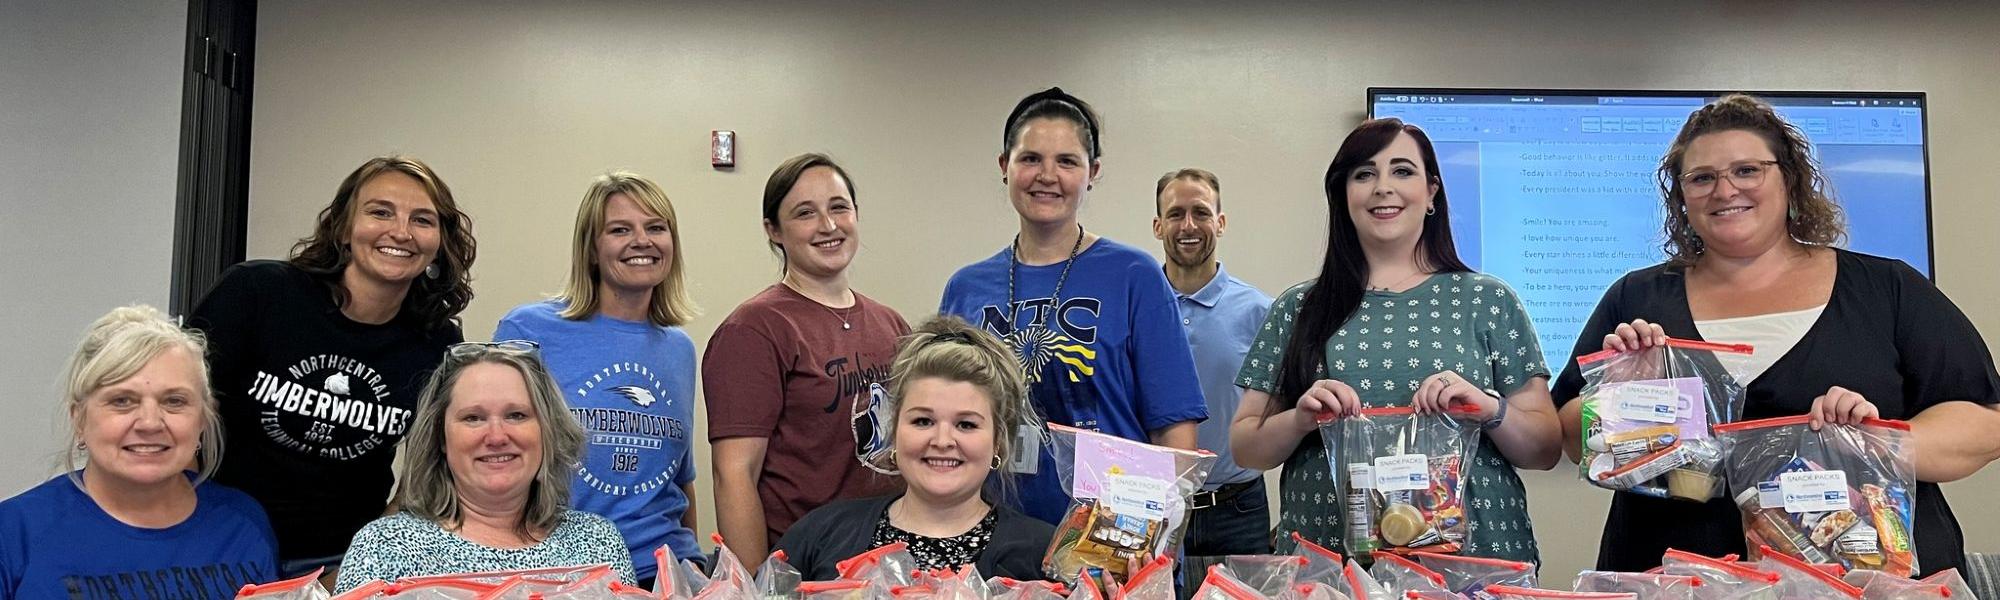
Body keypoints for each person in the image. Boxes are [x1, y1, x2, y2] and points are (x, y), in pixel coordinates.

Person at [1552, 94, 2000, 576]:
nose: (1724, 190)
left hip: (1865, 577)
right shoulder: (1637, 297)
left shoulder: (1887, 289)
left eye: (1747, 170)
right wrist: (1621, 399)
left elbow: (1985, 421)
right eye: (1702, 178)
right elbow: (1575, 440)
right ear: (1681, 197)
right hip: (1673, 575)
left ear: (1788, 179)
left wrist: (1873, 444)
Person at [1229, 118, 1562, 562]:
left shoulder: (1489, 300)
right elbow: (1245, 447)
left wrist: (1489, 408)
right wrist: (1300, 419)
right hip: (1330, 561)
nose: (1383, 187)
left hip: (1470, 562)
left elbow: (1545, 449)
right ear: (1344, 195)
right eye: (1364, 174)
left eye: (1402, 171)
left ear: (1432, 193)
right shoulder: (1299, 307)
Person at [189, 155, 473, 579]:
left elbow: (433, 465)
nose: (400, 232)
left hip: (335, 565)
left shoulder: (437, 342)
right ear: (343, 227)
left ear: (439, 243)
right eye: (380, 212)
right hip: (216, 547)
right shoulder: (257, 292)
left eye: (422, 220)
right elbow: (179, 411)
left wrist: (372, 553)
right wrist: (184, 524)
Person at [939, 87, 1207, 525]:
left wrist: (1156, 534)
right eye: (1030, 159)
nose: (1047, 175)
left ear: (1092, 171)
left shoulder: (1133, 274)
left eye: (1067, 161)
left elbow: (1174, 429)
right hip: (994, 534)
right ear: (1005, 167)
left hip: (1112, 536)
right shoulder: (966, 288)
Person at [494, 171, 701, 586]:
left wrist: (692, 571)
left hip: (665, 571)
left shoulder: (680, 349)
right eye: (620, 229)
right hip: (560, 571)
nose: (642, 241)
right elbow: (490, 457)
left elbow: (679, 479)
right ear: (591, 249)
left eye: (656, 228)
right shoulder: (528, 330)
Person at [705, 153, 909, 563]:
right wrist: (758, 586)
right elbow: (734, 475)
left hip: (891, 561)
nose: (828, 226)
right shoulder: (754, 329)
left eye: (839, 208)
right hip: (804, 563)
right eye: (805, 213)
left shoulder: (893, 324)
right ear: (773, 230)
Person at [1, 305, 279, 600]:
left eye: (174, 401)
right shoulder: (14, 532)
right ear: (79, 419)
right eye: (122, 401)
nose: (150, 423)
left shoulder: (243, 524)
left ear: (202, 420)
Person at [334, 341, 633, 591]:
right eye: (473, 418)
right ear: (440, 437)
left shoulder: (598, 543)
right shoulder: (385, 548)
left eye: (516, 415)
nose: (497, 437)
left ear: (548, 431)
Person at [778, 316, 1055, 581]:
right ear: (895, 430)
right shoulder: (820, 535)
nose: (942, 440)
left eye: (966, 425)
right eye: (923, 421)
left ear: (998, 441)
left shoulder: (1044, 558)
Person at [1150, 168, 1274, 555]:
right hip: (1151, 507)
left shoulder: (1260, 312)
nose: (1189, 225)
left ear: (1220, 223)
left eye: (1201, 213)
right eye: (1175, 214)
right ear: (1158, 226)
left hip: (1237, 509)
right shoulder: (1136, 307)